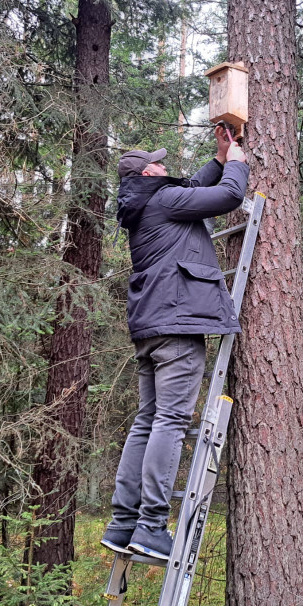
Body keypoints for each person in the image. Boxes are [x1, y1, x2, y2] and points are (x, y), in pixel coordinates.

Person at [101, 126, 249, 560]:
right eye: (159, 162)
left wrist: (220, 161)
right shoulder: (163, 200)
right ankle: (150, 526)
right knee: (168, 421)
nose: (166, 166)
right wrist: (237, 165)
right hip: (178, 324)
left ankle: (123, 521)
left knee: (147, 421)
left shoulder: (147, 205)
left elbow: (193, 188)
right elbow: (225, 198)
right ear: (148, 172)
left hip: (151, 327)